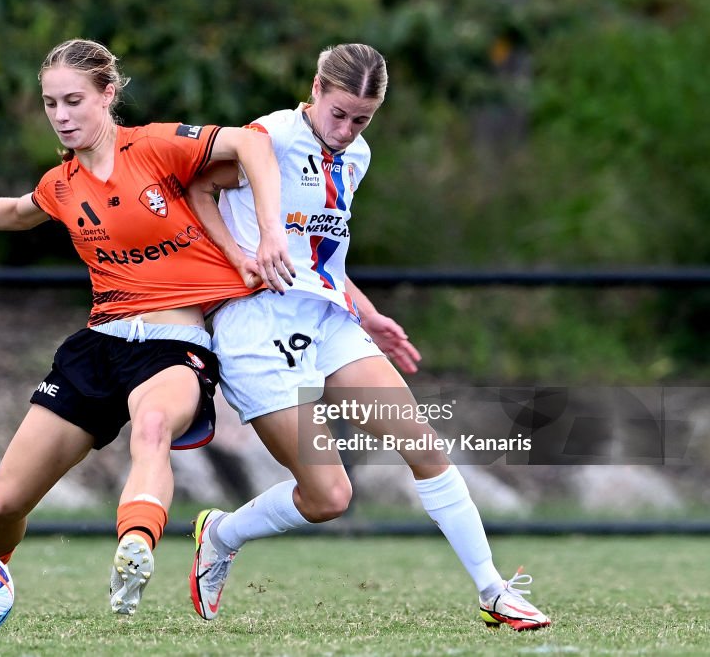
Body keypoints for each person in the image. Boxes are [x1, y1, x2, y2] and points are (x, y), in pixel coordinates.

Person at [0, 38, 295, 623]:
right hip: (98, 347)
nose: (62, 115)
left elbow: (251, 141)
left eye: (74, 100)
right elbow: (20, 211)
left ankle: (136, 547)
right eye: (50, 104)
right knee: (1, 504)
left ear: (107, 95)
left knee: (151, 429)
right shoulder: (63, 183)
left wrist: (271, 232)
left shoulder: (153, 146)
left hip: (174, 346)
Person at [184, 43, 551, 631]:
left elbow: (321, 254)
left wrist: (369, 314)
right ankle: (220, 535)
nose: (348, 129)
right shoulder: (269, 137)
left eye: (363, 119)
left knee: (423, 443)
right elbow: (197, 188)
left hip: (329, 324)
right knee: (329, 496)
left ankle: (494, 590)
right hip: (255, 328)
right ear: (316, 90)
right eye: (339, 114)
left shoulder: (357, 156)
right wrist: (239, 256)